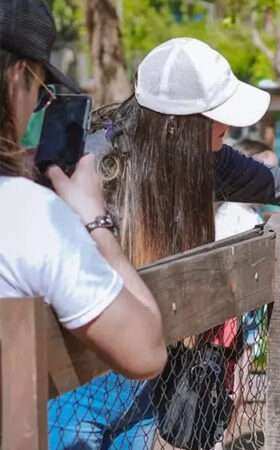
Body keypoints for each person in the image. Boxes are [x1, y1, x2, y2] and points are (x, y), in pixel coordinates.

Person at [48, 37, 280, 449]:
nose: (227, 127)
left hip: (145, 368)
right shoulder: (96, 164)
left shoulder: (205, 160)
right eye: (217, 117)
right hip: (78, 368)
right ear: (179, 124)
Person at [0, 1, 167, 448]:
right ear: (18, 77)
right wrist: (94, 220)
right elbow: (146, 351)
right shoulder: (26, 213)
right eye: (41, 89)